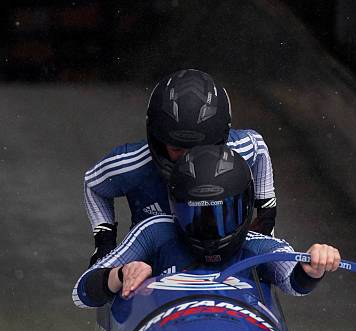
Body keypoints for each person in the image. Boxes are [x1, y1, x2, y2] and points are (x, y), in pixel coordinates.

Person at [74, 145, 340, 331]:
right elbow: (83, 291)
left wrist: (312, 267)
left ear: (244, 208)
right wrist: (119, 274)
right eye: (197, 216)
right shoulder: (155, 233)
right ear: (176, 208)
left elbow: (293, 279)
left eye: (223, 213)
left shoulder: (259, 247)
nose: (211, 227)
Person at [85, 69, 277, 266]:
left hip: (226, 259)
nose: (188, 159)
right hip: (154, 264)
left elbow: (259, 148)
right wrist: (104, 241)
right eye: (177, 148)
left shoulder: (242, 149)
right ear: (159, 141)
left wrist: (265, 217)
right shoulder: (130, 164)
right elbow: (94, 185)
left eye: (197, 150)